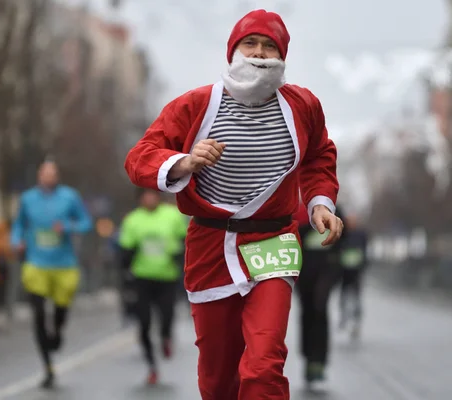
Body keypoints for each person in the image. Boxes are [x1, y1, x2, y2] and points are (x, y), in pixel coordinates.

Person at [124, 9, 343, 399]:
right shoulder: (195, 106)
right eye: (250, 44)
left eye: (269, 46)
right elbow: (140, 157)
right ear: (233, 51)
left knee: (263, 366)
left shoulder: (303, 106)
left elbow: (319, 156)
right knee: (217, 379)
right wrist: (184, 161)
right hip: (211, 247)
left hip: (274, 241)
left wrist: (320, 203)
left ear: (282, 56)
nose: (259, 54)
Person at [10, 159, 93, 389]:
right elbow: (18, 225)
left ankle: (57, 330)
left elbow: (86, 223)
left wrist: (67, 227)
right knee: (37, 313)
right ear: (39, 175)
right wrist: (16, 241)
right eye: (44, 173)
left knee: (59, 313)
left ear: (57, 176)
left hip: (64, 265)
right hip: (36, 264)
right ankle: (47, 367)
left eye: (52, 173)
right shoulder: (27, 199)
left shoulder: (70, 197)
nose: (48, 176)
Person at [118, 188, 188, 385]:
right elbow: (125, 250)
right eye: (145, 196)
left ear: (158, 197)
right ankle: (152, 366)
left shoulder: (172, 215)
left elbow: (185, 240)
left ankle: (166, 337)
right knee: (144, 323)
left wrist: (179, 257)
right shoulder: (133, 220)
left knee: (166, 317)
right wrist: (125, 273)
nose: (149, 199)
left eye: (153, 195)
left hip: (167, 277)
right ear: (140, 199)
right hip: (142, 278)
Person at [294, 201, 346, 389]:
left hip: (326, 273)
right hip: (303, 273)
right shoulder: (300, 210)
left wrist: (336, 273)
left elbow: (343, 242)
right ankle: (308, 360)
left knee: (320, 311)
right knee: (307, 314)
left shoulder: (336, 211)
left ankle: (319, 363)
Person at [338, 214, 369, 340]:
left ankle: (356, 323)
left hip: (356, 272)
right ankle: (344, 318)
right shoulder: (343, 235)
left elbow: (365, 251)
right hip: (345, 272)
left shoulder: (361, 235)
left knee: (356, 298)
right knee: (344, 296)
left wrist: (363, 265)